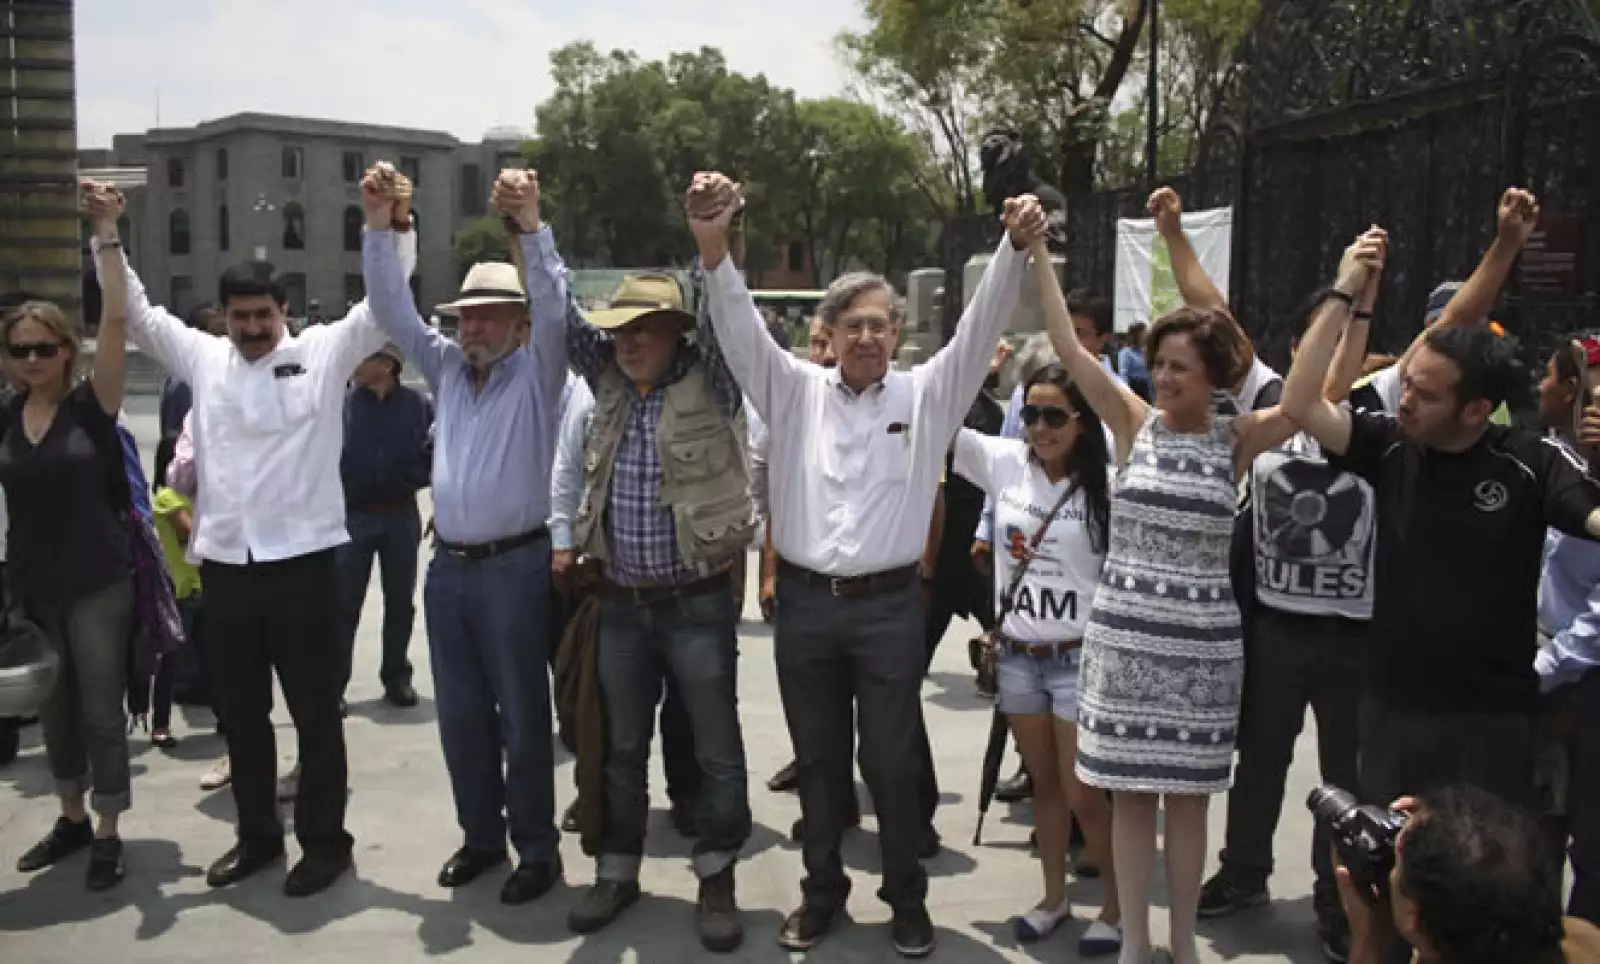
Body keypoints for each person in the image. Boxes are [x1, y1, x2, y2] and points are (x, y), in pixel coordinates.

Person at [694, 168, 1044, 959]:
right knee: (818, 764)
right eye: (851, 324)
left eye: (881, 324)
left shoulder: (927, 396)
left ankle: (906, 899)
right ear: (829, 331)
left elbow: (981, 318)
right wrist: (713, 246)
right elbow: (740, 326)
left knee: (889, 760)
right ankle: (822, 895)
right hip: (809, 608)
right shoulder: (791, 391)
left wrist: (1014, 249)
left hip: (891, 609)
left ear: (897, 335)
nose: (866, 337)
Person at [86, 177, 403, 898]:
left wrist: (384, 223)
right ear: (222, 318)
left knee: (318, 716)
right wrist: (107, 229)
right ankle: (257, 837)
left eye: (264, 315)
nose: (253, 328)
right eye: (240, 317)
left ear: (284, 312)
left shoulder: (324, 352)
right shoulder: (204, 359)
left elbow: (384, 306)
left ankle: (325, 844)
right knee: (242, 717)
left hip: (307, 564)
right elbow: (133, 313)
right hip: (228, 567)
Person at [1280, 189, 1600, 818]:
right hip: (1392, 711)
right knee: (1385, 870)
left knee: (1476, 888)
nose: (1404, 402)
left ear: (1476, 409)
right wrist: (1345, 291)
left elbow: (1590, 515)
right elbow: (1300, 404)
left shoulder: (1530, 463)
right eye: (1408, 386)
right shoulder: (1388, 445)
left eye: (1424, 395)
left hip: (1489, 723)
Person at [1048, 187, 1305, 964]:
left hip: (1202, 654)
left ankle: (1183, 945)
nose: (1162, 377)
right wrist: (1034, 258)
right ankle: (1134, 943)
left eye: (1179, 367)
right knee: (1130, 799)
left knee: (1189, 803)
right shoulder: (1131, 422)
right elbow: (1067, 348)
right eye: (1157, 364)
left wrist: (1350, 295)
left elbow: (1304, 399)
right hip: (1126, 643)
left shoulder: (1240, 435)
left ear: (1212, 376)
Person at [519, 178, 752, 952]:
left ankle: (716, 878)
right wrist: (531, 227)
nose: (623, 340)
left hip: (696, 601)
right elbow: (554, 304)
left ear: (674, 331)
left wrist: (712, 235)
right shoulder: (607, 379)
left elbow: (727, 310)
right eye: (617, 329)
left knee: (715, 745)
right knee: (617, 745)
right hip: (618, 599)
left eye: (641, 328)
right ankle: (616, 871)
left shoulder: (713, 377)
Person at [361, 164, 566, 906]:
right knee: (460, 715)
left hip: (516, 566)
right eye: (466, 314)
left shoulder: (543, 371)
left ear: (519, 324)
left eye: (489, 315)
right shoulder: (446, 368)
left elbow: (553, 296)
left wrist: (530, 225)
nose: (471, 326)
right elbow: (390, 307)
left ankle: (536, 848)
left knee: (522, 714)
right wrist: (382, 227)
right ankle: (482, 839)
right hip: (446, 568)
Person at [1199, 259, 1387, 964]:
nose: (1333, 352)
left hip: (1354, 636)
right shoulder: (1274, 399)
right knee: (1260, 762)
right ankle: (1244, 872)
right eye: (1322, 335)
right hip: (1275, 628)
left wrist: (1366, 292)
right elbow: (1209, 308)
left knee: (1345, 776)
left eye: (1345, 338)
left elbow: (1453, 326)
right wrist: (1172, 233)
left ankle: (1337, 899)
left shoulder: (1383, 405)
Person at [950, 362, 1123, 956]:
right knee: (1044, 787)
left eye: (1055, 416)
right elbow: (936, 413)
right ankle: (1054, 898)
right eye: (1031, 413)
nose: (1040, 427)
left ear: (1082, 423)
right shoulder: (1004, 463)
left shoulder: (1110, 484)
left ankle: (1118, 906)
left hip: (1079, 660)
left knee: (1083, 793)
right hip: (1019, 658)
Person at [0, 187, 136, 891]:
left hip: (97, 581)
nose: (31, 360)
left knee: (98, 710)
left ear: (65, 350)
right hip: (34, 584)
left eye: (43, 349)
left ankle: (111, 828)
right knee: (53, 713)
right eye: (19, 350)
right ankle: (72, 816)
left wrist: (106, 233)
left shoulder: (94, 404)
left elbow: (116, 317)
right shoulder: (5, 415)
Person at [548, 374, 704, 841]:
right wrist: (562, 542)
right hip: (605, 573)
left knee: (686, 701)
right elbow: (567, 470)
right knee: (599, 702)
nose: (629, 340)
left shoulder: (696, 387)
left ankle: (688, 794)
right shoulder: (586, 389)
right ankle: (595, 793)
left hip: (687, 578)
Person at [1336, 785, 1600, 964]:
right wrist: (1439, 821)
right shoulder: (1582, 939)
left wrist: (1369, 941)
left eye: (1395, 863)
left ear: (1412, 919)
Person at [1534, 338, 1600, 926]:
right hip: (1543, 675)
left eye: (1548, 377)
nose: (1539, 387)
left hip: (1580, 681)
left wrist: (1549, 667)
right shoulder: (1543, 459)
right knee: (1535, 836)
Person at [336, 342, 433, 709]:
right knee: (343, 603)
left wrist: (411, 478)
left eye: (362, 357)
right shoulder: (341, 403)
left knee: (399, 600)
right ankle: (334, 684)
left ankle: (396, 676)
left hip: (400, 514)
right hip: (352, 515)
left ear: (388, 364)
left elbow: (437, 452)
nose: (355, 365)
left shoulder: (418, 406)